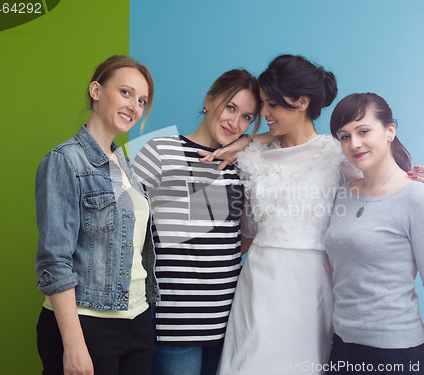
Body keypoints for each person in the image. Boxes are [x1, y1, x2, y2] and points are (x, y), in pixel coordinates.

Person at [199, 55, 424, 375]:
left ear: (301, 102)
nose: (263, 114)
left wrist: (415, 184)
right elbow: (240, 230)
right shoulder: (249, 155)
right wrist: (247, 141)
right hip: (257, 282)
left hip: (313, 286)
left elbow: (384, 183)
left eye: (271, 105)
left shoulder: (336, 154)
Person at [131, 69, 262, 375]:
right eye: (231, 107)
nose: (235, 122)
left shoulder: (241, 165)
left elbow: (243, 235)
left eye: (247, 117)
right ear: (208, 100)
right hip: (174, 323)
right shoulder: (158, 150)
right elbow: (127, 230)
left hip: (230, 322)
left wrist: (248, 143)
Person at [35, 55, 159, 375]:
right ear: (96, 91)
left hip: (138, 320)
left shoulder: (125, 165)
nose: (134, 106)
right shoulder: (66, 161)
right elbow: (54, 261)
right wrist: (74, 344)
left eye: (142, 100)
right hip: (87, 324)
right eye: (126, 93)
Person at [324, 93, 424, 375]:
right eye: (344, 136)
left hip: (396, 352)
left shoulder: (418, 198)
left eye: (363, 131)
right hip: (341, 346)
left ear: (390, 131)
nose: (354, 143)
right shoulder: (342, 193)